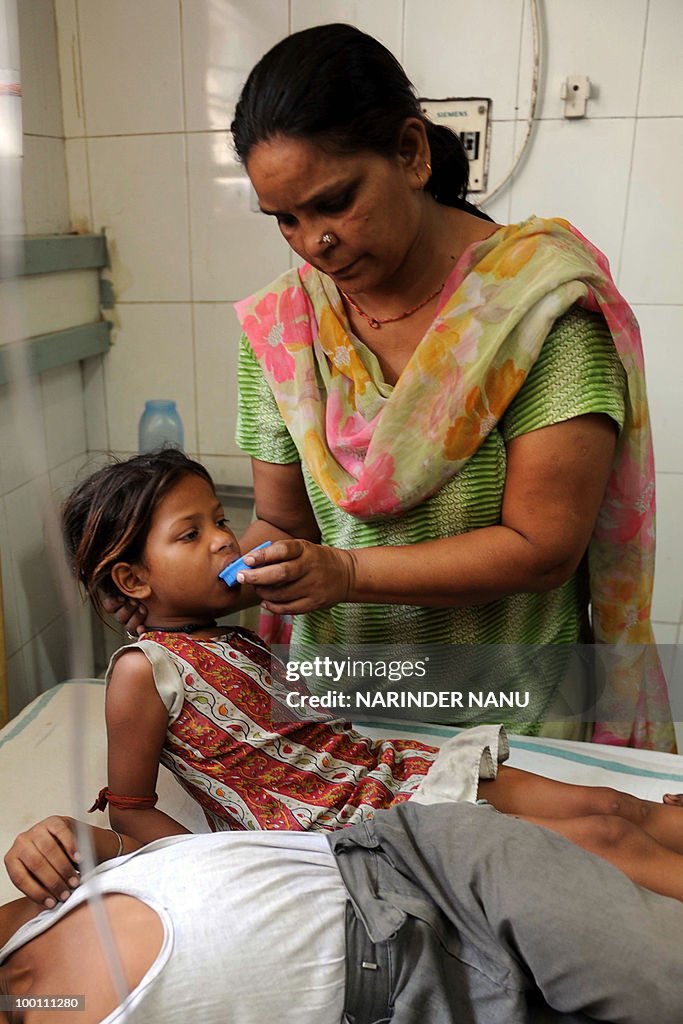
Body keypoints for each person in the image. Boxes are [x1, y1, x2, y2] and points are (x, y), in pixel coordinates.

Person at [219, 22, 672, 749]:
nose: (314, 242)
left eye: (334, 202)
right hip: (341, 716)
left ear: (410, 152)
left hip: (510, 719)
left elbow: (541, 547)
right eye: (286, 220)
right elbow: (283, 526)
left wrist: (345, 571)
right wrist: (214, 575)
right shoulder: (286, 325)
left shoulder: (536, 310)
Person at [60, 450, 683, 892]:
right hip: (354, 831)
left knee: (613, 808)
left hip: (388, 772)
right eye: (190, 535)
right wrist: (230, 866)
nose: (226, 541)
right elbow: (130, 808)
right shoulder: (143, 672)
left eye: (220, 520)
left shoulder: (231, 637)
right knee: (605, 839)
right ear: (134, 579)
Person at [2, 803, 683, 1024]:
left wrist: (69, 836)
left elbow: (127, 848)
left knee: (666, 977)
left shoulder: (15, 939)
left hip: (419, 863)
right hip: (419, 996)